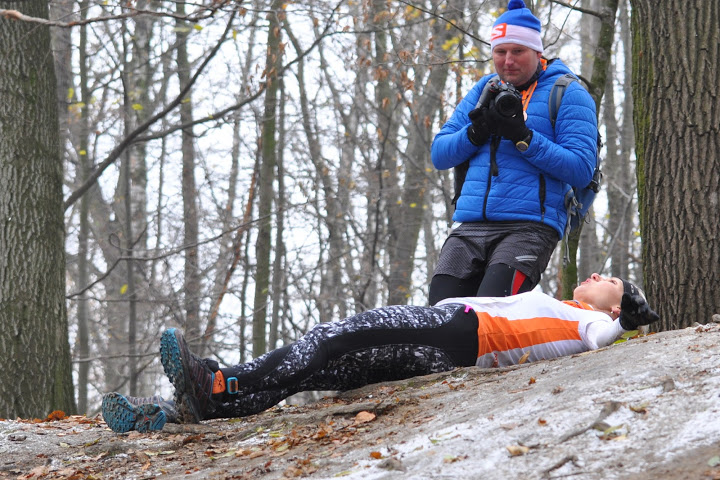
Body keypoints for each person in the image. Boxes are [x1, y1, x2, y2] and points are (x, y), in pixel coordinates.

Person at [101, 274, 658, 433]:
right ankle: (195, 410)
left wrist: (624, 323)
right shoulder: (568, 307)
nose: (596, 275)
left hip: (460, 334)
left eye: (610, 280)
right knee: (322, 366)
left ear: (613, 306)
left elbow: (601, 341)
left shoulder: (590, 322)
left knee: (332, 337)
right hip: (452, 344)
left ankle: (220, 381)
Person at [428, 0, 598, 305]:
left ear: (537, 52)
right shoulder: (485, 89)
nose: (508, 61)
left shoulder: (568, 93)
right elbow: (440, 154)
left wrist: (523, 137)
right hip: (471, 224)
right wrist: (476, 132)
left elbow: (582, 169)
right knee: (441, 310)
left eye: (518, 51)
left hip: (529, 225)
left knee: (491, 311)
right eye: (500, 51)